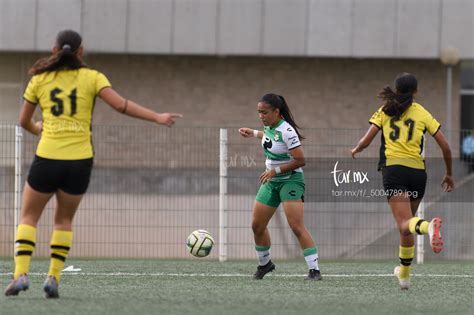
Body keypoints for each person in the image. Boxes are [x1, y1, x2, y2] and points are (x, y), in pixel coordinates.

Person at [4, 30, 182, 298]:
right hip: (79, 161)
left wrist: (37, 128)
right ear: (81, 52)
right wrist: (157, 117)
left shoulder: (39, 79)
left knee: (29, 217)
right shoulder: (93, 77)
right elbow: (121, 106)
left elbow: (23, 121)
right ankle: (53, 277)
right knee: (63, 220)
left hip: (48, 157)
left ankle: (20, 275)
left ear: (54, 50)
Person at [351, 73, 454, 290]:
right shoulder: (422, 112)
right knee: (407, 226)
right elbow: (446, 147)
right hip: (417, 173)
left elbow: (366, 140)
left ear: (397, 90)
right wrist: (449, 173)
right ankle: (404, 276)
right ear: (415, 91)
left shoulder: (386, 110)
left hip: (394, 171)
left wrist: (357, 149)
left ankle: (429, 227)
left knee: (405, 224)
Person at [239, 93, 321, 281]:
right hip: (271, 181)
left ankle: (314, 270)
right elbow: (269, 137)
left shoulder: (288, 131)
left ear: (276, 112)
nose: (261, 116)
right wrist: (252, 133)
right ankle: (265, 264)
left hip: (290, 180)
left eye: (264, 112)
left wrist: (275, 171)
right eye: (259, 112)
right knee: (257, 225)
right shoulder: (269, 125)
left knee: (296, 226)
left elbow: (301, 160)